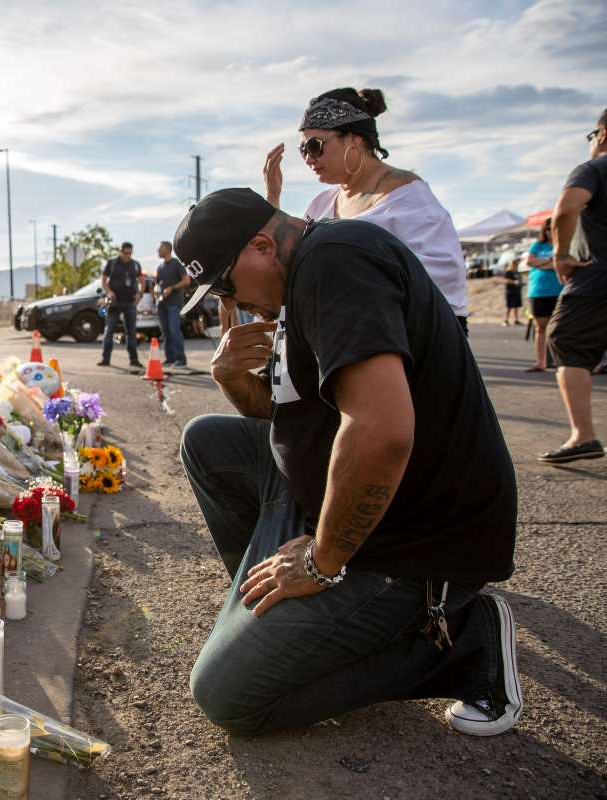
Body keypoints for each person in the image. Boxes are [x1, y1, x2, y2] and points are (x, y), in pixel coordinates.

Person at [175, 188, 519, 738]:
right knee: (207, 441)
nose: (229, 302)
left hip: (411, 542)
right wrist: (233, 381)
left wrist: (320, 560)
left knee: (227, 696)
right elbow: (285, 417)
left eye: (223, 284)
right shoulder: (300, 279)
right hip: (336, 503)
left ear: (263, 246)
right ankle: (286, 624)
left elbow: (380, 433)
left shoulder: (339, 262)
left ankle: (467, 641)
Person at [263, 88, 470, 330]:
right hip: (347, 339)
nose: (309, 158)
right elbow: (289, 265)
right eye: (303, 151)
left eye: (314, 145)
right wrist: (272, 201)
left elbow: (443, 277)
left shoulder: (408, 197)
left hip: (408, 342)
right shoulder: (321, 204)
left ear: (355, 139)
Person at [539, 109, 607, 464]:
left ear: (603, 134)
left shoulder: (594, 168)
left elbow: (566, 210)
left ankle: (583, 436)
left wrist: (561, 254)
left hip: (596, 281)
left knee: (567, 341)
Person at [98, 242, 142, 368]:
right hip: (114, 303)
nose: (128, 256)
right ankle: (105, 359)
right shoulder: (112, 263)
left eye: (130, 253)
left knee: (131, 332)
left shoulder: (135, 264)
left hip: (130, 303)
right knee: (109, 331)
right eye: (126, 253)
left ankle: (134, 360)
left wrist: (139, 294)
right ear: (120, 251)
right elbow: (104, 280)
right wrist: (109, 292)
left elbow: (142, 280)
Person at [524, 221, 560, 371]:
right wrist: (550, 262)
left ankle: (560, 362)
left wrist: (540, 264)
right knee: (540, 328)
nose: (550, 231)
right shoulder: (537, 246)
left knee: (559, 329)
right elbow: (530, 261)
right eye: (547, 229)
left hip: (559, 291)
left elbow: (561, 264)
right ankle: (541, 362)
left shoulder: (564, 244)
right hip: (537, 292)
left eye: (553, 228)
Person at [154, 241, 190, 367]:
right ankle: (170, 359)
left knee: (174, 330)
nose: (158, 250)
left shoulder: (176, 264)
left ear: (167, 249)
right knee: (165, 332)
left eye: (160, 248)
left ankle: (181, 360)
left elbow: (186, 281)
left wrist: (172, 288)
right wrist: (156, 292)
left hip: (174, 304)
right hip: (161, 304)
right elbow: (157, 284)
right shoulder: (160, 267)